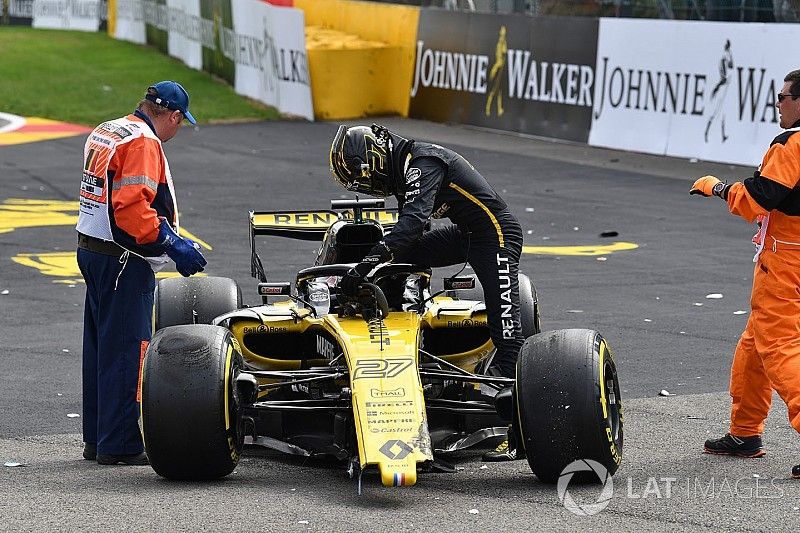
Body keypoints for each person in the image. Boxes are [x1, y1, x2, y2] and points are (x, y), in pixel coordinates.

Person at [329, 123, 525, 461]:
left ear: (376, 158)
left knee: (506, 333)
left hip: (496, 236)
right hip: (466, 235)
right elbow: (412, 238)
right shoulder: (409, 169)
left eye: (364, 176)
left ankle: (518, 432)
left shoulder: (424, 163)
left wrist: (361, 267)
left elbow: (410, 226)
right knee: (405, 254)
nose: (367, 184)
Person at [76, 81, 206, 465]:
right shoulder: (144, 143)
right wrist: (172, 243)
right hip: (123, 260)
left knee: (100, 347)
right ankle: (120, 444)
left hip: (92, 249)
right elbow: (133, 211)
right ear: (174, 115)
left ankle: (97, 438)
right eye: (179, 124)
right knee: (129, 351)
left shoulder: (109, 129)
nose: (175, 133)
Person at [690, 69, 800, 480]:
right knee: (754, 346)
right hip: (789, 256)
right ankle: (745, 432)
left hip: (786, 260)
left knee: (779, 349)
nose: (778, 103)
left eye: (783, 96)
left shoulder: (791, 143)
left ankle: (746, 432)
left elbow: (759, 198)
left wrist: (718, 188)